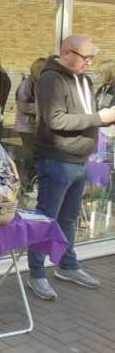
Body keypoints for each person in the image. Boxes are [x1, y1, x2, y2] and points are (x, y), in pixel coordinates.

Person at [27, 34, 115, 301]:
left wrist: (101, 118)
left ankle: (67, 265)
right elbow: (55, 120)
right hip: (56, 159)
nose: (89, 63)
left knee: (68, 218)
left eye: (91, 57)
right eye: (84, 57)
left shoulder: (84, 79)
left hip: (79, 159)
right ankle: (36, 273)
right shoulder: (50, 79)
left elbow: (85, 114)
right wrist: (98, 117)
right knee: (47, 218)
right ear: (66, 53)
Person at [13, 57, 46, 183]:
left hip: (34, 126)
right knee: (30, 155)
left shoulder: (38, 83)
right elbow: (22, 104)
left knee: (34, 154)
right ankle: (26, 182)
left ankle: (30, 181)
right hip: (26, 126)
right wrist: (43, 108)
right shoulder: (27, 83)